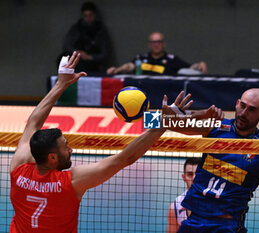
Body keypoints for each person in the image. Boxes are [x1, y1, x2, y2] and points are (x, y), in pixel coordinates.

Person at [9, 52, 166, 232]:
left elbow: (33, 123)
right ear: (52, 157)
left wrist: (60, 84)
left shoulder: (18, 169)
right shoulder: (71, 182)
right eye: (65, 147)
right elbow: (125, 158)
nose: (71, 149)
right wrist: (160, 124)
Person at [162, 88, 259, 232]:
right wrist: (202, 113)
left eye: (252, 110)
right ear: (237, 103)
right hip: (194, 222)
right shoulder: (214, 126)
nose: (244, 113)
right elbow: (154, 122)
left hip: (227, 227)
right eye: (242, 106)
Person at [106, 32, 207, 75]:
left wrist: (200, 65)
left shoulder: (172, 59)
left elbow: (190, 67)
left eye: (159, 42)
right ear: (149, 45)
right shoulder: (141, 58)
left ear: (164, 44)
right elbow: (130, 66)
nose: (156, 45)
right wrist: (116, 69)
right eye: (153, 42)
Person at [62, 2, 111, 74]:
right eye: (85, 16)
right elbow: (66, 46)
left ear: (95, 15)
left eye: (90, 15)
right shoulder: (76, 28)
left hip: (93, 63)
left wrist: (89, 57)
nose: (88, 18)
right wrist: (78, 52)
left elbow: (104, 54)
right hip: (77, 60)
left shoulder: (101, 30)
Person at [166, 157, 201, 233]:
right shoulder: (175, 208)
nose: (194, 178)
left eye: (198, 174)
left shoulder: (216, 202)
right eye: (190, 174)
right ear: (184, 177)